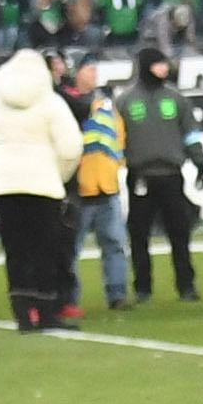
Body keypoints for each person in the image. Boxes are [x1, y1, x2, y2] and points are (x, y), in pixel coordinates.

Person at [0, 42, 84, 333]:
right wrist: (59, 175)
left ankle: (23, 314)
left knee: (16, 250)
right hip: (42, 184)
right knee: (45, 250)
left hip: (3, 184)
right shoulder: (51, 102)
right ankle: (48, 311)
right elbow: (71, 146)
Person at [120, 49, 201, 302]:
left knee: (179, 232)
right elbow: (117, 137)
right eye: (158, 65)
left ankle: (186, 285)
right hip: (140, 176)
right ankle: (143, 287)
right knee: (139, 234)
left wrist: (200, 162)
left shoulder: (177, 99)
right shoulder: (125, 101)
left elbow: (190, 134)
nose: (164, 69)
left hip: (171, 175)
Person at [68, 55, 133, 314]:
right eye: (89, 69)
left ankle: (117, 294)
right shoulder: (68, 103)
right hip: (80, 187)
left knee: (115, 243)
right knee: (71, 249)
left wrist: (117, 165)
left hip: (106, 184)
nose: (94, 74)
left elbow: (119, 134)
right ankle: (68, 298)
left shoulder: (105, 103)